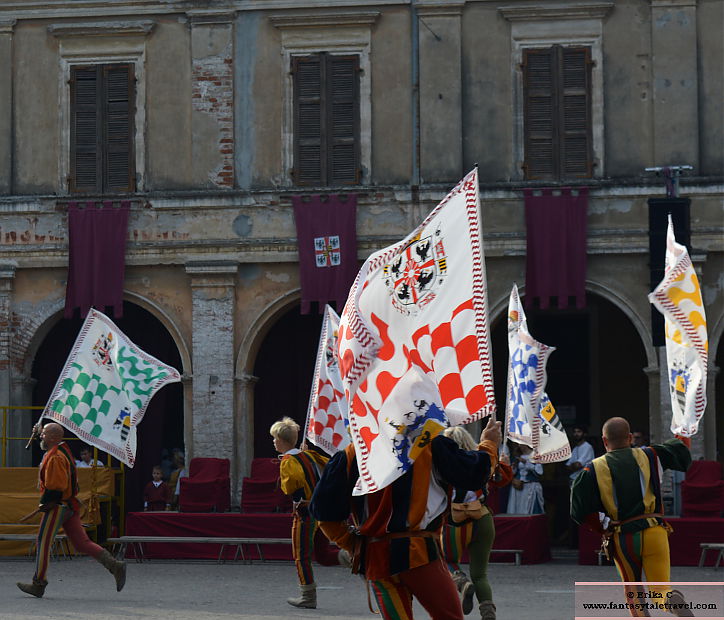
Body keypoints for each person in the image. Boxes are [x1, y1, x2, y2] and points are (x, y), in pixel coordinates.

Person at [310, 415, 502, 620]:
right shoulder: (430, 443)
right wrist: (489, 443)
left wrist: (353, 545)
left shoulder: (352, 452)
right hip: (419, 552)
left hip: (376, 557)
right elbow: (474, 475)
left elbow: (324, 513)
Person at [571, 417, 693, 617]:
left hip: (623, 536)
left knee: (634, 592)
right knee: (661, 589)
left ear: (604, 441)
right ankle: (669, 599)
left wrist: (603, 527)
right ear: (630, 437)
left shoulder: (592, 469)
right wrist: (684, 427)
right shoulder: (652, 455)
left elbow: (578, 511)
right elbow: (681, 450)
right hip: (654, 530)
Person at [17, 422, 126, 598]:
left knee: (43, 542)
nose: (41, 436)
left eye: (44, 434)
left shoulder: (55, 457)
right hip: (68, 505)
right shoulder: (62, 450)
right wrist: (38, 431)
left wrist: (45, 503)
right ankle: (115, 565)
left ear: (53, 437)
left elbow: (56, 487)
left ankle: (39, 583)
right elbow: (47, 445)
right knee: (82, 543)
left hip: (58, 506)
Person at [270, 416, 348, 609]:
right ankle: (353, 558)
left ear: (281, 440)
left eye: (274, 438)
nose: (273, 441)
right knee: (322, 554)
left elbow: (291, 485)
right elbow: (328, 465)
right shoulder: (310, 455)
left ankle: (307, 596)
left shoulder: (288, 461)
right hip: (321, 510)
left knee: (301, 556)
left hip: (305, 513)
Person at [441, 425, 512, 619]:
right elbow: (502, 480)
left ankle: (462, 583)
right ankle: (488, 613)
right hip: (481, 517)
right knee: (480, 574)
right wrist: (504, 464)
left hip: (453, 521)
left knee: (447, 560)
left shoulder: (441, 464)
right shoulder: (482, 458)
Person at [506, 443, 544, 515]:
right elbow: (514, 472)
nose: (519, 446)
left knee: (528, 508)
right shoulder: (518, 456)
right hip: (518, 487)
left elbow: (539, 472)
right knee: (517, 509)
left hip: (530, 487)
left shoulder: (535, 456)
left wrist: (526, 462)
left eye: (521, 444)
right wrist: (513, 467)